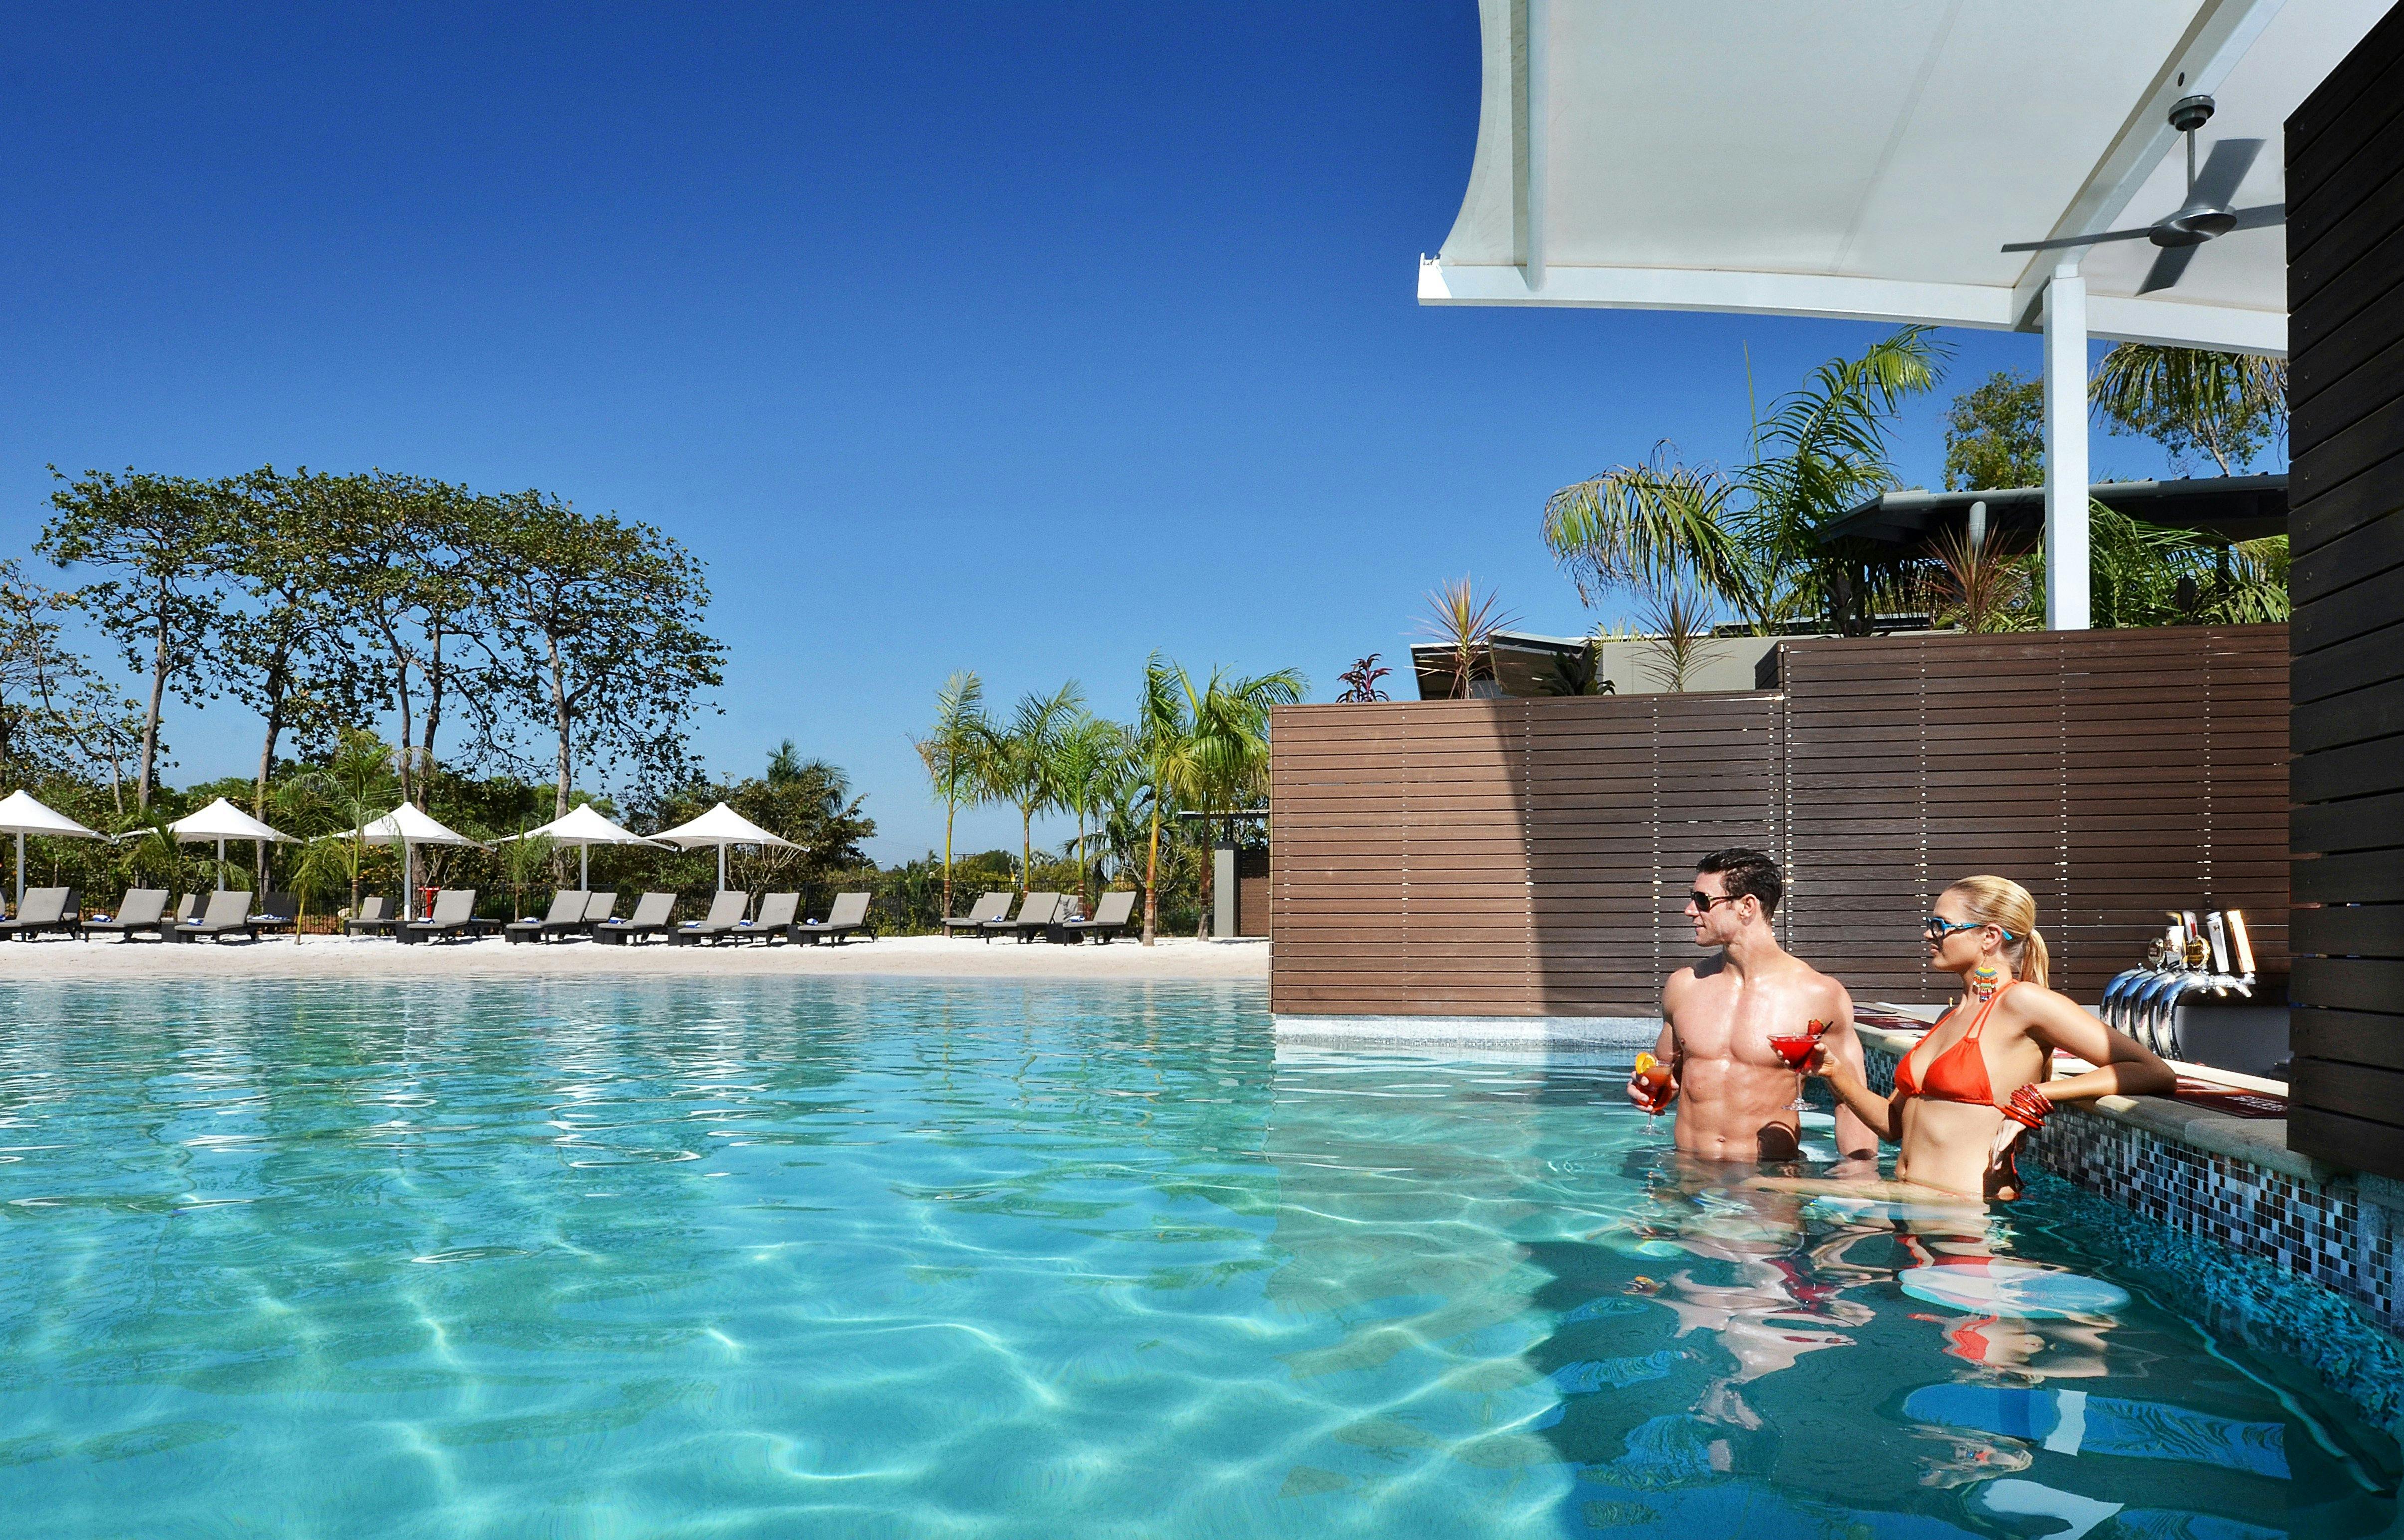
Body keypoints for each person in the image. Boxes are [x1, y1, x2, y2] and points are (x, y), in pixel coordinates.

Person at [1804, 874, 2174, 1201]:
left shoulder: (2022, 1002)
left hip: (1967, 1218)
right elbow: (1893, 1126)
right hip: (1912, 1203)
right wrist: (1835, 1072)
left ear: (1989, 936)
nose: (1929, 934)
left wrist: (2039, 1094)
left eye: (1941, 925)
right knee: (1762, 1194)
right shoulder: (1949, 1016)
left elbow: (2151, 1070)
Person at [1628, 848, 1879, 1164]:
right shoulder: (1684, 986)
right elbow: (1665, 1073)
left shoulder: (1819, 994)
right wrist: (1645, 1088)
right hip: (1686, 1173)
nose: (1690, 910)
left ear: (1747, 907)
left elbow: (1852, 1104)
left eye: (1703, 900)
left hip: (1767, 1186)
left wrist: (1858, 1184)